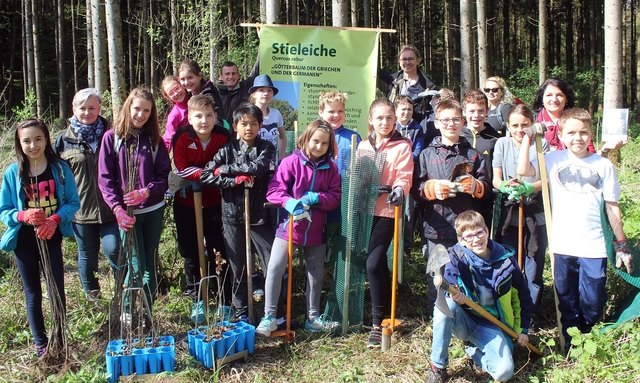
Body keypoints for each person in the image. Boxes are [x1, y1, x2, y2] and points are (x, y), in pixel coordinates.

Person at [517, 108, 634, 350]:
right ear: (560, 136)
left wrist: (620, 243)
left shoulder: (603, 165)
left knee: (593, 299)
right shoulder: (552, 159)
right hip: (563, 244)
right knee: (567, 298)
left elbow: (612, 206)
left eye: (583, 132)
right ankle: (570, 345)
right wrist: (528, 137)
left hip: (594, 245)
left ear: (592, 134)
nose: (577, 137)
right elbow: (523, 171)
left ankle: (589, 335)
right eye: (571, 132)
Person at [0, 119, 80, 357]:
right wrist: (22, 215)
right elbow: (4, 210)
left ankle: (60, 338)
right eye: (26, 141)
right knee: (32, 292)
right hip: (24, 240)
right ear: (19, 143)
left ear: (46, 139)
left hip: (51, 235)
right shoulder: (14, 172)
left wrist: (55, 220)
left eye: (38, 139)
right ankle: (41, 344)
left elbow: (73, 203)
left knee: (57, 287)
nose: (33, 145)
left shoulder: (60, 169)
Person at [256, 119, 341, 336]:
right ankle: (269, 316)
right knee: (275, 267)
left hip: (316, 230)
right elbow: (274, 191)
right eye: (315, 141)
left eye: (324, 143)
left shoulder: (330, 167)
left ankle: (313, 318)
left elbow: (335, 198)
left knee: (316, 273)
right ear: (305, 139)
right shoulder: (290, 162)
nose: (319, 147)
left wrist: (317, 198)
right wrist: (289, 202)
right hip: (289, 227)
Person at [426, 210, 533, 383]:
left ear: (486, 231)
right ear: (461, 240)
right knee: (444, 307)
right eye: (469, 236)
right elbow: (450, 282)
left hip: (494, 325)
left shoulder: (506, 260)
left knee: (504, 373)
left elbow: (524, 297)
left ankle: (473, 351)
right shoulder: (456, 257)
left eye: (479, 233)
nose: (476, 240)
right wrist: (454, 293)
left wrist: (523, 330)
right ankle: (438, 367)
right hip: (466, 320)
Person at [98, 87, 171, 321]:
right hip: (126, 215)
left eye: (146, 111)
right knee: (136, 264)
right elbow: (105, 178)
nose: (140, 114)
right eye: (137, 108)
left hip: (153, 210)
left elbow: (163, 175)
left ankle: (148, 312)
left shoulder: (155, 141)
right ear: (128, 107)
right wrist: (117, 209)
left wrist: (146, 192)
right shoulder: (112, 138)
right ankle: (128, 308)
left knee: (149, 262)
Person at [412, 99, 488, 316]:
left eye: (455, 119)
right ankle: (437, 315)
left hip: (467, 228)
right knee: (437, 273)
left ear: (463, 121)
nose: (451, 124)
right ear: (436, 123)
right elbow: (415, 189)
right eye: (445, 120)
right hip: (436, 226)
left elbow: (487, 189)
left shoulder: (472, 155)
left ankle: (468, 316)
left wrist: (476, 186)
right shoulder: (426, 155)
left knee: (468, 272)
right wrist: (430, 188)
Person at [201, 103, 276, 322]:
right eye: (244, 124)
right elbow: (206, 174)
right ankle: (242, 310)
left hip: (259, 215)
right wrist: (233, 180)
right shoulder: (226, 150)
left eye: (254, 124)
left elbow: (258, 167)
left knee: (271, 261)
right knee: (238, 266)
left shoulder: (265, 147)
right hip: (233, 216)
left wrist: (225, 169)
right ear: (235, 126)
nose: (249, 128)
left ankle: (273, 310)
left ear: (260, 126)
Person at [54, 88, 119, 302]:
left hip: (111, 208)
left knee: (115, 250)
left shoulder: (112, 134)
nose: (87, 112)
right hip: (81, 211)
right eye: (82, 108)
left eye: (92, 107)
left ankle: (122, 295)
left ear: (99, 108)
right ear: (74, 109)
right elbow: (54, 174)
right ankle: (93, 299)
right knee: (87, 257)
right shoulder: (63, 140)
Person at [358, 99, 414, 347]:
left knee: (373, 264)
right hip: (363, 211)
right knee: (375, 264)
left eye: (389, 118)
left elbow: (404, 176)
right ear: (371, 119)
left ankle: (377, 322)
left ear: (395, 119)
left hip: (388, 212)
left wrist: (399, 190)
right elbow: (357, 174)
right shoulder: (362, 146)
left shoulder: (402, 146)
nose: (385, 122)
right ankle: (389, 300)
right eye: (380, 118)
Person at [171, 94, 231, 319]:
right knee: (191, 251)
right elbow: (181, 168)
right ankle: (197, 298)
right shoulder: (182, 137)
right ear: (189, 117)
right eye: (198, 116)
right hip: (186, 202)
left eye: (209, 115)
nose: (204, 121)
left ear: (216, 116)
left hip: (216, 201)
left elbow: (227, 165)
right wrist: (209, 173)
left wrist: (210, 175)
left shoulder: (223, 136)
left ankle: (224, 300)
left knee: (219, 249)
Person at [492, 104, 549, 315]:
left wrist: (528, 187)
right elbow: (496, 178)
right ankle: (508, 309)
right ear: (507, 125)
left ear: (531, 124)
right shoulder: (502, 144)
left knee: (533, 262)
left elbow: (546, 179)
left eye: (524, 125)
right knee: (508, 259)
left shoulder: (542, 145)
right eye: (515, 125)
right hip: (510, 209)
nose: (519, 129)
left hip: (534, 209)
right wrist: (506, 186)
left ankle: (529, 312)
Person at [461, 89, 501, 226]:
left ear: (487, 111)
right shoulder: (457, 136)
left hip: (487, 198)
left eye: (480, 111)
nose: (476, 115)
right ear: (464, 111)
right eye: (472, 111)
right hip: (461, 196)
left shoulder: (495, 138)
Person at [394, 95, 424, 259]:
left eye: (409, 109)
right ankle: (391, 246)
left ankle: (405, 249)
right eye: (403, 109)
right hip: (392, 174)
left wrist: (406, 159)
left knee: (408, 213)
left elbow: (418, 149)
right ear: (396, 110)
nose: (406, 112)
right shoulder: (391, 126)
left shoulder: (417, 128)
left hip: (410, 174)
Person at [378, 44, 437, 122]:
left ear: (418, 61)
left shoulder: (429, 87)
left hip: (419, 131)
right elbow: (371, 70)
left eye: (411, 59)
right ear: (399, 62)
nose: (407, 62)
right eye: (404, 59)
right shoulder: (390, 81)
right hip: (394, 130)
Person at [249, 74, 287, 163]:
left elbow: (283, 137)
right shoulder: (247, 113)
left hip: (272, 162)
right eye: (261, 90)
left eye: (269, 90)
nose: (266, 93)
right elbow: (240, 140)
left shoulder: (276, 113)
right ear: (254, 94)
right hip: (252, 164)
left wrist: (281, 159)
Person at [178, 58, 226, 128]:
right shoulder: (190, 94)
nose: (186, 82)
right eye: (183, 79)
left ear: (199, 76)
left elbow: (217, 121)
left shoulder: (209, 95)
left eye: (190, 78)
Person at [216, 60, 259, 125]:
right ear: (221, 77)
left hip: (243, 132)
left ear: (238, 75)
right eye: (227, 74)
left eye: (233, 73)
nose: (231, 76)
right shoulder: (215, 93)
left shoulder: (246, 86)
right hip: (222, 133)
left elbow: (257, 68)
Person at [160, 75, 190, 152]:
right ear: (167, 97)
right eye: (171, 93)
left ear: (181, 84)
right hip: (188, 152)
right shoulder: (174, 115)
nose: (176, 93)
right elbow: (168, 139)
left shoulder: (196, 96)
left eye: (177, 88)